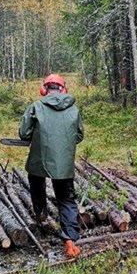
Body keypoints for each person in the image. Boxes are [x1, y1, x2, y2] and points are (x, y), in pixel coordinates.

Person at [19, 74, 84, 259]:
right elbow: (79, 136)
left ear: (44, 89)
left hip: (38, 161)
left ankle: (40, 214)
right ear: (63, 89)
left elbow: (24, 133)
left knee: (36, 185)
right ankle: (70, 242)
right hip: (63, 164)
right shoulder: (74, 110)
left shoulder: (36, 106)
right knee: (66, 199)